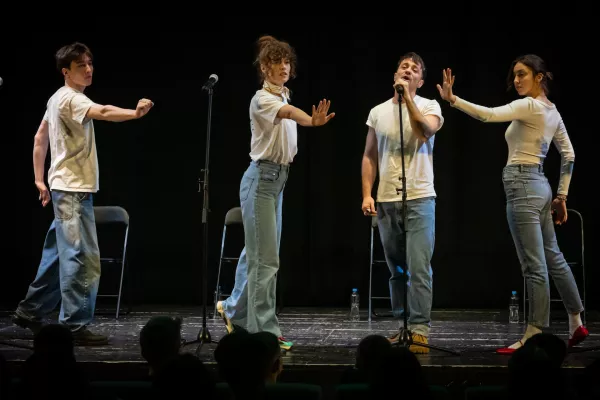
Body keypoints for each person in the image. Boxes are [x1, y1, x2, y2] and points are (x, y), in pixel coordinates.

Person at [437, 54, 589, 353]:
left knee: (534, 265)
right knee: (553, 257)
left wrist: (453, 100)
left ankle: (535, 332)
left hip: (522, 186)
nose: (517, 80)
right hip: (541, 186)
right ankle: (575, 321)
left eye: (522, 75)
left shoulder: (530, 105)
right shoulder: (552, 112)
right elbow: (569, 155)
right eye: (515, 76)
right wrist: (561, 196)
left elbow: (487, 115)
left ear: (539, 77)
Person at [12, 42, 154, 345]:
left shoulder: (56, 99)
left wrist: (40, 180)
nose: (88, 70)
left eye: (90, 64)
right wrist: (135, 113)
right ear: (67, 71)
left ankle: (30, 311)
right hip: (73, 192)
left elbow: (40, 138)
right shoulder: (72, 100)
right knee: (82, 260)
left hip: (66, 189)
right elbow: (102, 111)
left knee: (56, 258)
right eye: (81, 66)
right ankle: (74, 325)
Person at [216, 35, 335, 350]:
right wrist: (311, 120)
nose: (283, 67)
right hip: (262, 182)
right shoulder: (263, 100)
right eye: (276, 62)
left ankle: (231, 309)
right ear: (264, 68)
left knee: (256, 254)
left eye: (286, 62)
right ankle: (263, 330)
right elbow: (289, 115)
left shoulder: (282, 94)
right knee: (265, 260)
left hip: (276, 180)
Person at [361, 52, 444, 353]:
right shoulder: (377, 111)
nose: (408, 70)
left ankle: (420, 328)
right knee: (397, 269)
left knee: (419, 266)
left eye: (415, 69)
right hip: (385, 199)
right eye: (403, 66)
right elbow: (370, 155)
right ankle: (403, 325)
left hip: (420, 197)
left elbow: (425, 130)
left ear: (420, 80)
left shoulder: (429, 106)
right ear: (395, 73)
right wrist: (367, 193)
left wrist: (407, 98)